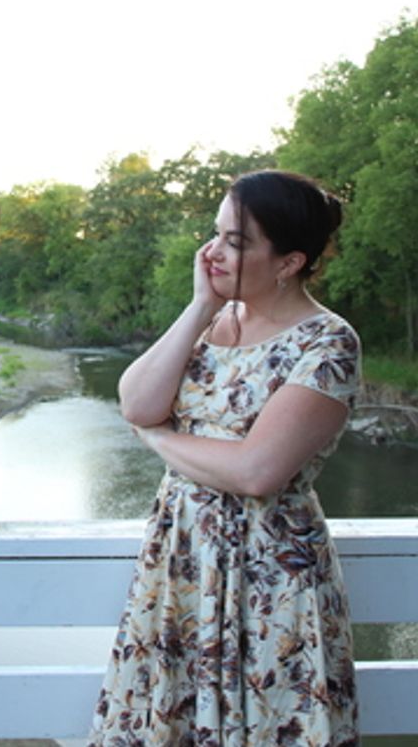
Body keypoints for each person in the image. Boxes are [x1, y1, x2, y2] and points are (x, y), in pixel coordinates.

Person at [88, 170, 360, 746]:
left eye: (236, 242)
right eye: (214, 234)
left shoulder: (327, 343)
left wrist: (159, 440)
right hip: (184, 562)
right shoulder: (214, 323)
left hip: (269, 577)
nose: (212, 251)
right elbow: (137, 401)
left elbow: (257, 471)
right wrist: (198, 305)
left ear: (289, 262)